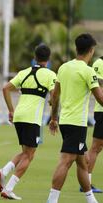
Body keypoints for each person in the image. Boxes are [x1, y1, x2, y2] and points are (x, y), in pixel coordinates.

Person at [0, 45, 56, 200]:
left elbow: (5, 88)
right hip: (32, 119)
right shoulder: (50, 74)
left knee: (25, 153)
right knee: (30, 155)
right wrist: (53, 109)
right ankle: (8, 188)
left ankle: (4, 171)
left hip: (19, 116)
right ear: (48, 59)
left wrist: (11, 110)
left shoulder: (24, 72)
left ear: (34, 57)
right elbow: (54, 96)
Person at [47, 33, 102, 203]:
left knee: (82, 161)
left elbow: (54, 96)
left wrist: (54, 118)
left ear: (76, 48)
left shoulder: (64, 67)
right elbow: (100, 98)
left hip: (65, 121)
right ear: (91, 51)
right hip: (77, 123)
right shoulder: (88, 71)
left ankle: (90, 199)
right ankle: (51, 199)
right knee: (66, 161)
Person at [80, 56, 103, 193]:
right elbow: (99, 86)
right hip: (102, 110)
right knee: (95, 147)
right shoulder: (100, 63)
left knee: (97, 148)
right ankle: (86, 184)